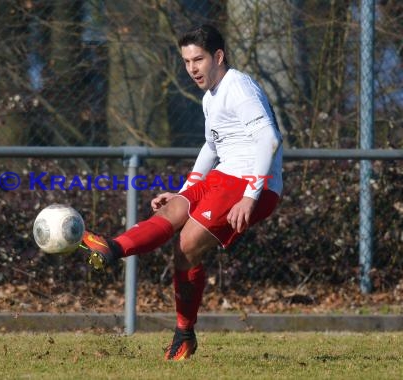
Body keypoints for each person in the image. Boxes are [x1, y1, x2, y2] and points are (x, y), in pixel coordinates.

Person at [79, 24, 283, 361]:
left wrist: (250, 196)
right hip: (225, 176)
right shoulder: (210, 97)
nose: (192, 68)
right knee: (171, 213)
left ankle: (185, 332)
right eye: (187, 61)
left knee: (187, 243)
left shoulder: (239, 88)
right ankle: (113, 248)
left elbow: (269, 140)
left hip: (250, 183)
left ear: (218, 56)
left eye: (198, 60)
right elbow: (212, 146)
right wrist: (185, 191)